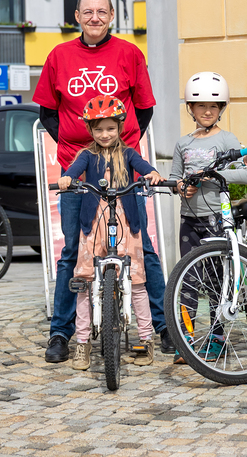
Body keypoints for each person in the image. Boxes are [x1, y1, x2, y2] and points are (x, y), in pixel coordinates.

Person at [34, 0, 172, 362]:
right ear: (76, 17)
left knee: (141, 246)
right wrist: (78, 149)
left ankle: (162, 327)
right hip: (78, 172)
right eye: (87, 12)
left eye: (102, 12)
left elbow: (144, 109)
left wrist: (120, 149)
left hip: (123, 171)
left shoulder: (130, 53)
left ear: (112, 16)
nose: (94, 18)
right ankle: (61, 332)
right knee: (73, 251)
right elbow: (48, 112)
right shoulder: (59, 56)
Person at [58, 97, 162, 369]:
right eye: (99, 129)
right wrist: (68, 178)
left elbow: (143, 166)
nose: (105, 134)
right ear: (90, 130)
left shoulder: (128, 153)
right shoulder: (86, 155)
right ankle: (82, 343)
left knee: (136, 282)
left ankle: (146, 339)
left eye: (110, 128)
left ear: (120, 128)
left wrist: (152, 173)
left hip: (126, 223)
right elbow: (74, 170)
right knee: (85, 281)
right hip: (93, 225)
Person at [168, 72, 247, 363]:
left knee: (218, 281)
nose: (207, 111)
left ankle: (217, 339)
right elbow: (174, 178)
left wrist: (213, 174)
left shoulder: (226, 139)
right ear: (190, 108)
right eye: (201, 105)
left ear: (221, 109)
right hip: (189, 220)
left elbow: (246, 173)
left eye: (213, 106)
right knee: (188, 280)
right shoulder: (183, 143)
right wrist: (181, 186)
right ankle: (186, 340)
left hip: (216, 219)